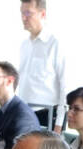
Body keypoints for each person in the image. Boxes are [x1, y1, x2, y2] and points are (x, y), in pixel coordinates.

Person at [16, 0, 69, 133]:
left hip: (48, 115)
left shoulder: (56, 43)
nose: (24, 18)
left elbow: (65, 87)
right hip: (24, 114)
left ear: (42, 14)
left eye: (28, 13)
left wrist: (58, 125)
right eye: (22, 13)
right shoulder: (24, 45)